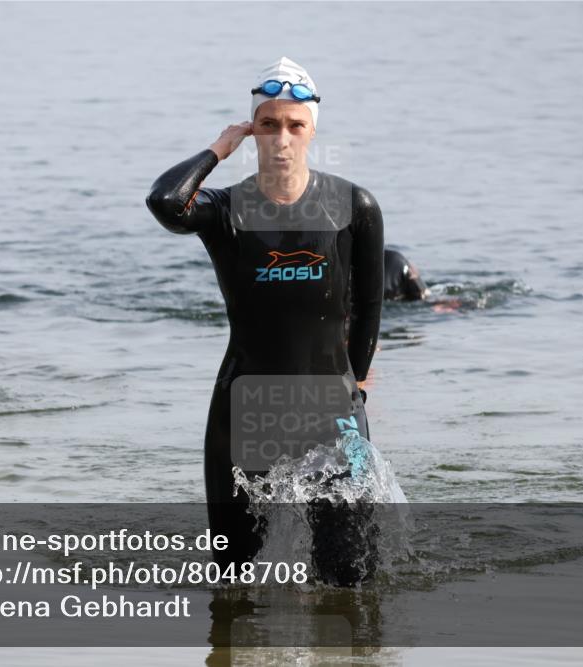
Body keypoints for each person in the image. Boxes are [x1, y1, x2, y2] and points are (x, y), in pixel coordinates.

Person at [145, 57, 384, 583]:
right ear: (253, 130)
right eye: (268, 124)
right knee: (234, 585)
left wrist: (358, 385)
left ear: (312, 130)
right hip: (244, 413)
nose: (281, 139)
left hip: (334, 415)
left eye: (294, 125)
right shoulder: (225, 209)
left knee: (351, 583)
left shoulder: (353, 205)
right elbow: (165, 201)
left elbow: (369, 305)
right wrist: (218, 148)